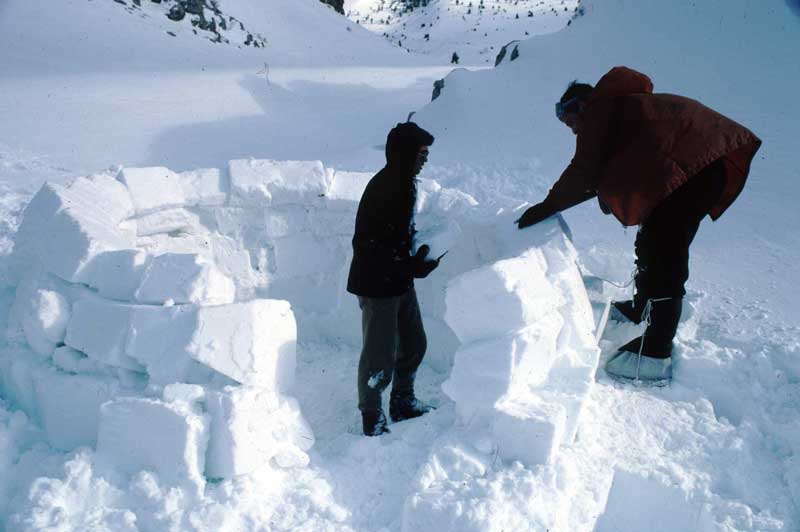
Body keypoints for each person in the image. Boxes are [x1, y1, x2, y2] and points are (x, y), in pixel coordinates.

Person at [517, 66, 761, 384]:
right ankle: (642, 307)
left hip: (696, 172)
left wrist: (547, 207)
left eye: (570, 121)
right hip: (697, 171)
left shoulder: (600, 111)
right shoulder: (622, 109)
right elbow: (621, 164)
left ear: (580, 106)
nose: (573, 130)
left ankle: (656, 351)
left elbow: (585, 170)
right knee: (652, 240)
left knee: (665, 249)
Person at [347, 122, 442, 436]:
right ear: (404, 154)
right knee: (379, 355)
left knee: (415, 343)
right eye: (421, 153)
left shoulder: (406, 183)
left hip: (399, 281)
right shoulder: (386, 186)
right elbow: (368, 246)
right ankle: (371, 416)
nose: (425, 159)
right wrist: (410, 266)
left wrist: (418, 256)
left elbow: (397, 235)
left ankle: (402, 402)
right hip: (377, 286)